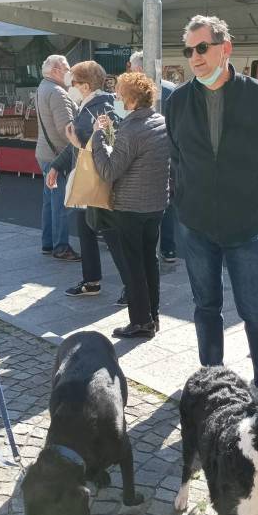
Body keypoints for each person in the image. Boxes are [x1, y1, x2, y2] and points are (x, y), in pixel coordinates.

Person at [165, 15, 258, 389]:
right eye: (189, 50)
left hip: (244, 225)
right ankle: (212, 381)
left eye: (203, 48)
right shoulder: (180, 100)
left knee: (254, 309)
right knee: (206, 306)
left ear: (225, 48)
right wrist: (184, 199)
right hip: (196, 223)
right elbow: (176, 156)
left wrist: (251, 198)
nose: (196, 58)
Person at [91, 72, 170, 338]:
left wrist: (98, 139)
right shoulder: (160, 121)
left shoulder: (131, 129)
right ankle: (153, 316)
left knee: (134, 266)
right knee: (150, 261)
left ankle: (140, 322)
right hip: (155, 204)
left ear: (131, 99)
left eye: (119, 95)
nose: (117, 99)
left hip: (130, 207)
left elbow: (109, 171)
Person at [45, 61, 124, 297]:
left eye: (74, 83)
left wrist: (77, 146)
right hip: (89, 179)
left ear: (86, 86)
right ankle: (91, 281)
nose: (70, 87)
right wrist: (57, 166)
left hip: (97, 180)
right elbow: (76, 145)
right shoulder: (94, 104)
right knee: (87, 230)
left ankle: (130, 286)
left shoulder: (97, 109)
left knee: (110, 235)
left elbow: (103, 143)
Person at [128, 50, 178, 263]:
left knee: (145, 204)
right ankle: (168, 248)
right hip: (170, 153)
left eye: (131, 68)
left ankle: (146, 248)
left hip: (144, 155)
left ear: (138, 68)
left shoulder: (134, 94)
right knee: (167, 202)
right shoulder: (172, 89)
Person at [36, 54, 80, 261]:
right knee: (61, 203)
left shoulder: (43, 87)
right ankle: (61, 246)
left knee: (49, 201)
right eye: (66, 68)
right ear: (55, 70)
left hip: (45, 153)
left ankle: (48, 242)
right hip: (57, 155)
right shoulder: (58, 93)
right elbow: (67, 130)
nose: (70, 72)